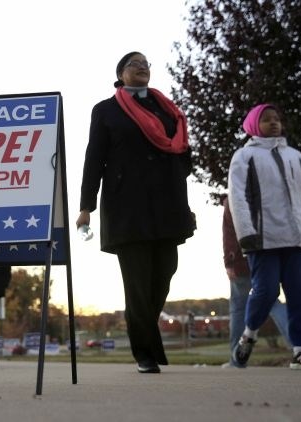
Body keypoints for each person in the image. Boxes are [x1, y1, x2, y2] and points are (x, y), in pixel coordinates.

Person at [76, 51, 196, 374]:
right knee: (137, 282)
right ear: (120, 74)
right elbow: (94, 159)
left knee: (165, 273)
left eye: (146, 64)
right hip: (127, 207)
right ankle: (143, 352)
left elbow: (182, 150)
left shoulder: (167, 108)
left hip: (167, 206)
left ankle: (146, 335)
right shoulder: (106, 110)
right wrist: (86, 206)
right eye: (135, 64)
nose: (142, 67)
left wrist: (178, 182)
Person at [228, 103, 301, 370]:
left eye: (277, 119)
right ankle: (248, 335)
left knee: (298, 295)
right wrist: (246, 233)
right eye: (266, 119)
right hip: (263, 238)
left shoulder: (296, 156)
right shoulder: (244, 156)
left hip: (298, 238)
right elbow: (237, 197)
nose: (274, 123)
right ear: (252, 125)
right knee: (266, 291)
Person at [221, 195, 291, 368]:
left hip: (242, 262)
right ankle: (299, 345)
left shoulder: (232, 200)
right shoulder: (268, 195)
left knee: (238, 310)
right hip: (267, 257)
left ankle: (236, 359)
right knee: (273, 302)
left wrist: (229, 262)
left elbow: (229, 234)